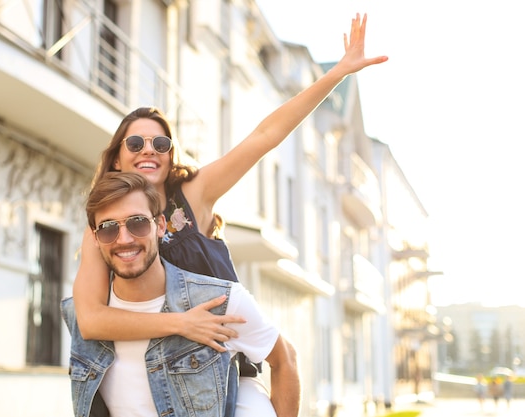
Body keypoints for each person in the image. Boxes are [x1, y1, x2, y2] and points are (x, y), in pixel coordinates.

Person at [72, 13, 387, 415]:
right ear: (117, 155)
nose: (148, 148)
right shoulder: (103, 230)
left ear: (171, 156)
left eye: (161, 142)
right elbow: (92, 319)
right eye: (135, 141)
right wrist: (181, 323)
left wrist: (338, 73)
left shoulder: (192, 195)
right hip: (151, 367)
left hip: (222, 366)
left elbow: (264, 136)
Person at [61, 172, 300, 417]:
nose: (124, 239)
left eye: (138, 222)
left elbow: (285, 359)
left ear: (161, 226)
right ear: (95, 238)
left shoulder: (217, 303)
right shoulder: (82, 315)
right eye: (108, 228)